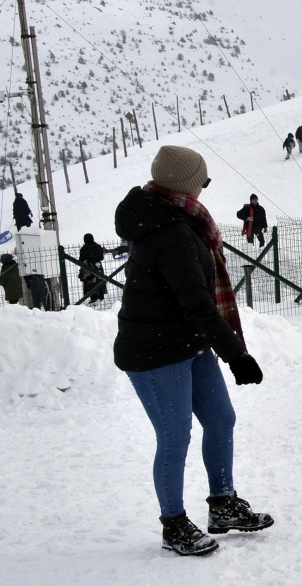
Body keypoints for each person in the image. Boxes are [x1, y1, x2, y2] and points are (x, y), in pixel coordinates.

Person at [113, 144, 271, 557]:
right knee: (174, 435)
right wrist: (236, 354)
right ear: (185, 184)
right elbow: (197, 303)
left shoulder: (178, 219)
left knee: (221, 418)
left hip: (188, 343)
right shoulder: (171, 232)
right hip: (154, 352)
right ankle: (174, 524)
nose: (204, 188)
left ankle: (222, 504)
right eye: (202, 180)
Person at [78, 233, 108, 304]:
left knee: (90, 282)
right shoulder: (97, 246)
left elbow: (81, 260)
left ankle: (93, 297)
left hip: (88, 268)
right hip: (98, 267)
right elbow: (101, 257)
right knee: (99, 281)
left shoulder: (83, 249)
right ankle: (101, 297)